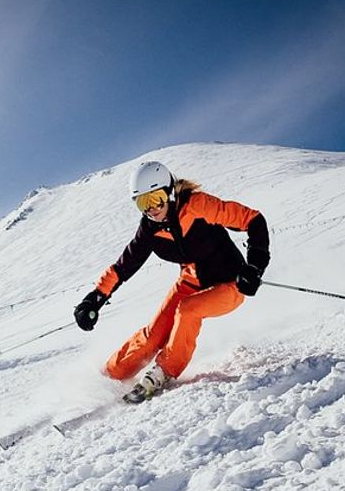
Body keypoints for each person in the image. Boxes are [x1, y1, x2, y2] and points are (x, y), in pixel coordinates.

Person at [73, 160, 270, 403]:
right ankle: (111, 375)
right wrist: (94, 299)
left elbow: (253, 220)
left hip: (230, 283)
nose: (151, 209)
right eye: (142, 203)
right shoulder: (149, 230)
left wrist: (254, 266)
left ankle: (164, 372)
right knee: (153, 334)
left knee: (188, 310)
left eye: (155, 198)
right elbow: (124, 266)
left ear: (170, 191)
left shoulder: (198, 205)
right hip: (190, 281)